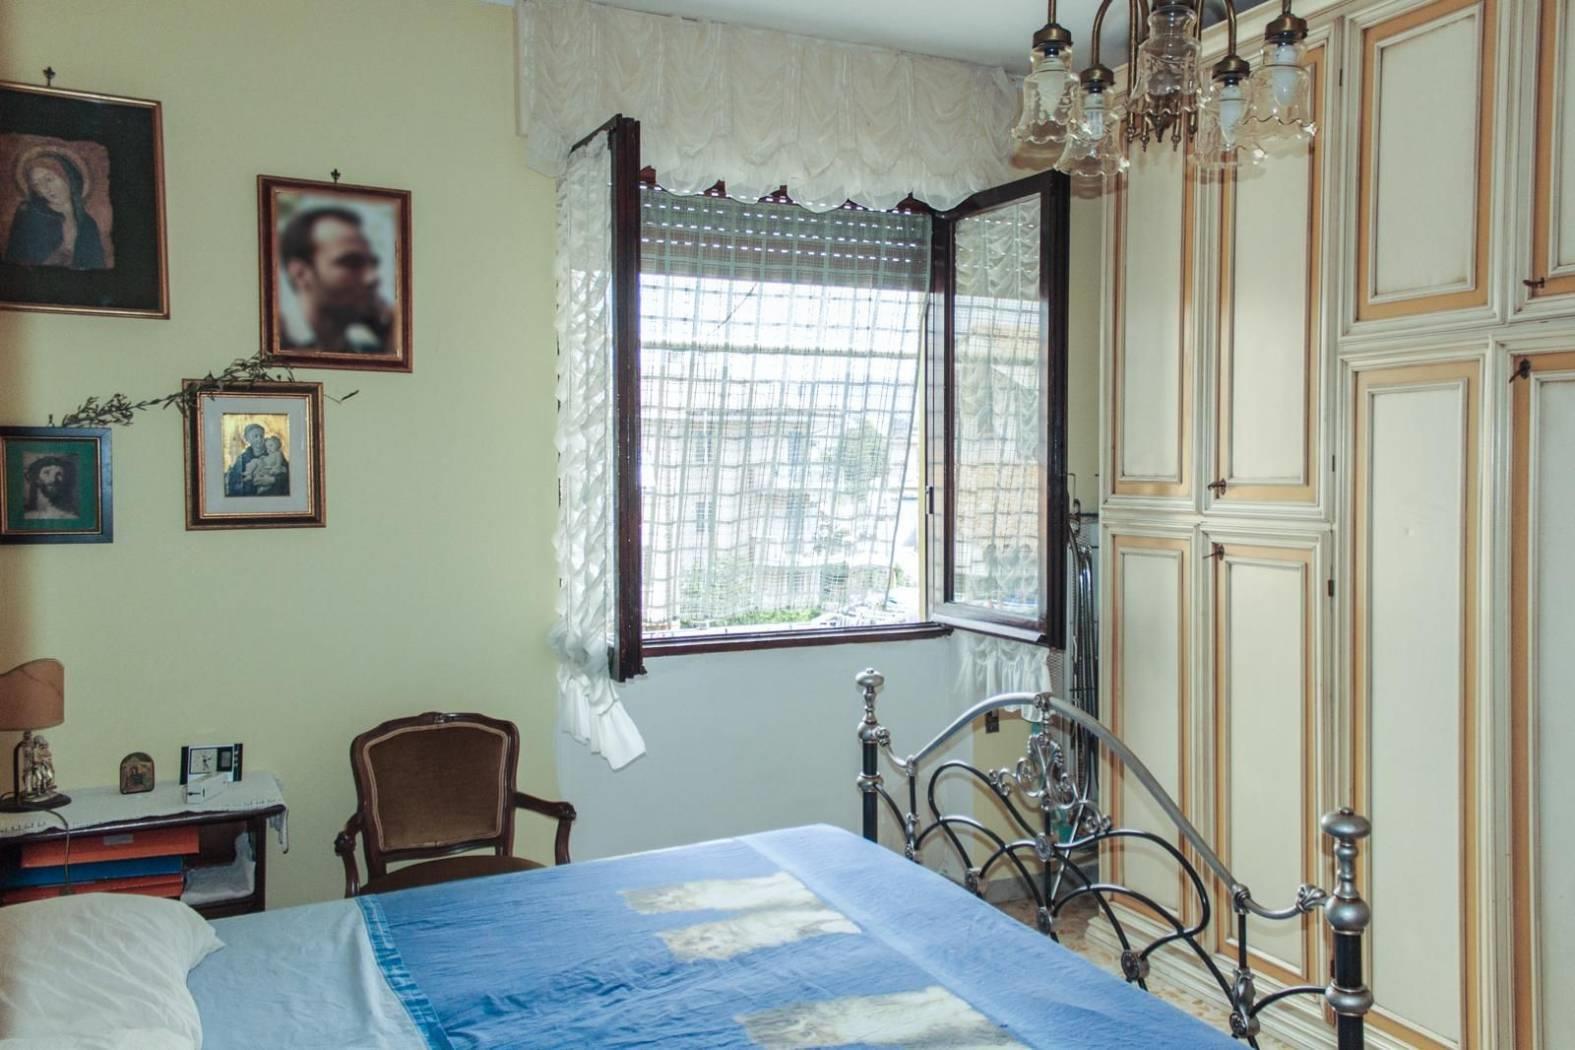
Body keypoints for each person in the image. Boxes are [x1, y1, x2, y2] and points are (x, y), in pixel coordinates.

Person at [277, 205, 393, 353]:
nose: (373, 278)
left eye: (373, 264)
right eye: (351, 263)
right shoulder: (272, 341)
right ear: (300, 274)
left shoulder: (367, 347)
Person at [4, 149, 107, 270]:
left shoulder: (88, 224)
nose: (45, 188)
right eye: (36, 184)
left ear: (67, 177)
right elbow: (15, 262)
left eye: (49, 179)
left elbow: (96, 265)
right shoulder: (28, 213)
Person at [22, 455, 77, 520]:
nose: (53, 479)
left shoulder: (70, 517)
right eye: (46, 472)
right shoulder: (27, 516)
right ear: (36, 478)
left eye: (59, 474)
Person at [225, 424, 267, 497]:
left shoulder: (273, 454)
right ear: (247, 439)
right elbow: (234, 481)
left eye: (261, 436)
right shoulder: (243, 458)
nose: (259, 439)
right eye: (255, 436)